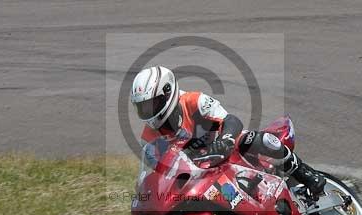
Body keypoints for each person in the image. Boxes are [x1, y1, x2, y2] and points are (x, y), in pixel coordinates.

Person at [131, 66, 326, 201]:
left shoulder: (193, 100)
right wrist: (144, 187)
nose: (149, 111)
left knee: (256, 140)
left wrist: (226, 140)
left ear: (167, 92)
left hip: (227, 149)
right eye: (143, 107)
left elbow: (231, 120)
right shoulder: (149, 136)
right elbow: (155, 168)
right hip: (201, 173)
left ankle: (306, 174)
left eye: (152, 104)